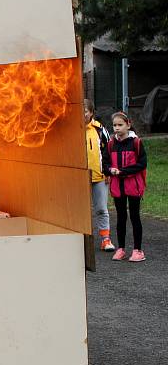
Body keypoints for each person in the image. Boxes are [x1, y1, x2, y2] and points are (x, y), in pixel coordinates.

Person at [108, 112, 148, 262]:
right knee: (120, 218)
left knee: (134, 216)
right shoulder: (112, 144)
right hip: (118, 187)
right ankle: (121, 249)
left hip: (133, 186)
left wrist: (123, 172)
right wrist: (109, 170)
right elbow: (105, 162)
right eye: (114, 125)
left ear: (128, 125)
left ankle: (138, 250)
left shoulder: (136, 142)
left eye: (120, 125)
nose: (117, 128)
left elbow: (142, 164)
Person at [84, 100, 114, 251]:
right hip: (78, 178)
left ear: (91, 113)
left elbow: (108, 151)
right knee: (79, 210)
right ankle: (79, 239)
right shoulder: (71, 130)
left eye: (86, 111)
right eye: (80, 111)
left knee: (101, 208)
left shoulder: (100, 130)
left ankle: (105, 239)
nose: (83, 114)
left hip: (99, 176)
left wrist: (107, 171)